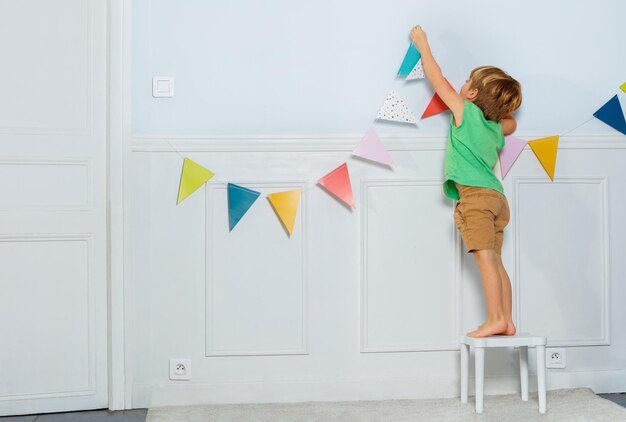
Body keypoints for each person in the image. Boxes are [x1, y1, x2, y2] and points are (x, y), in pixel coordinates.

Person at [410, 25, 522, 338]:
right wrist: (498, 111)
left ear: (471, 94)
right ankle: (508, 320)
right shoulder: (496, 127)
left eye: (468, 82)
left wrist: (423, 45)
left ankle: (495, 319)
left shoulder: (465, 112)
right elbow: (510, 121)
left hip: (475, 197)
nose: (461, 85)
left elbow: (437, 79)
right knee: (497, 262)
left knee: (485, 259)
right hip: (497, 199)